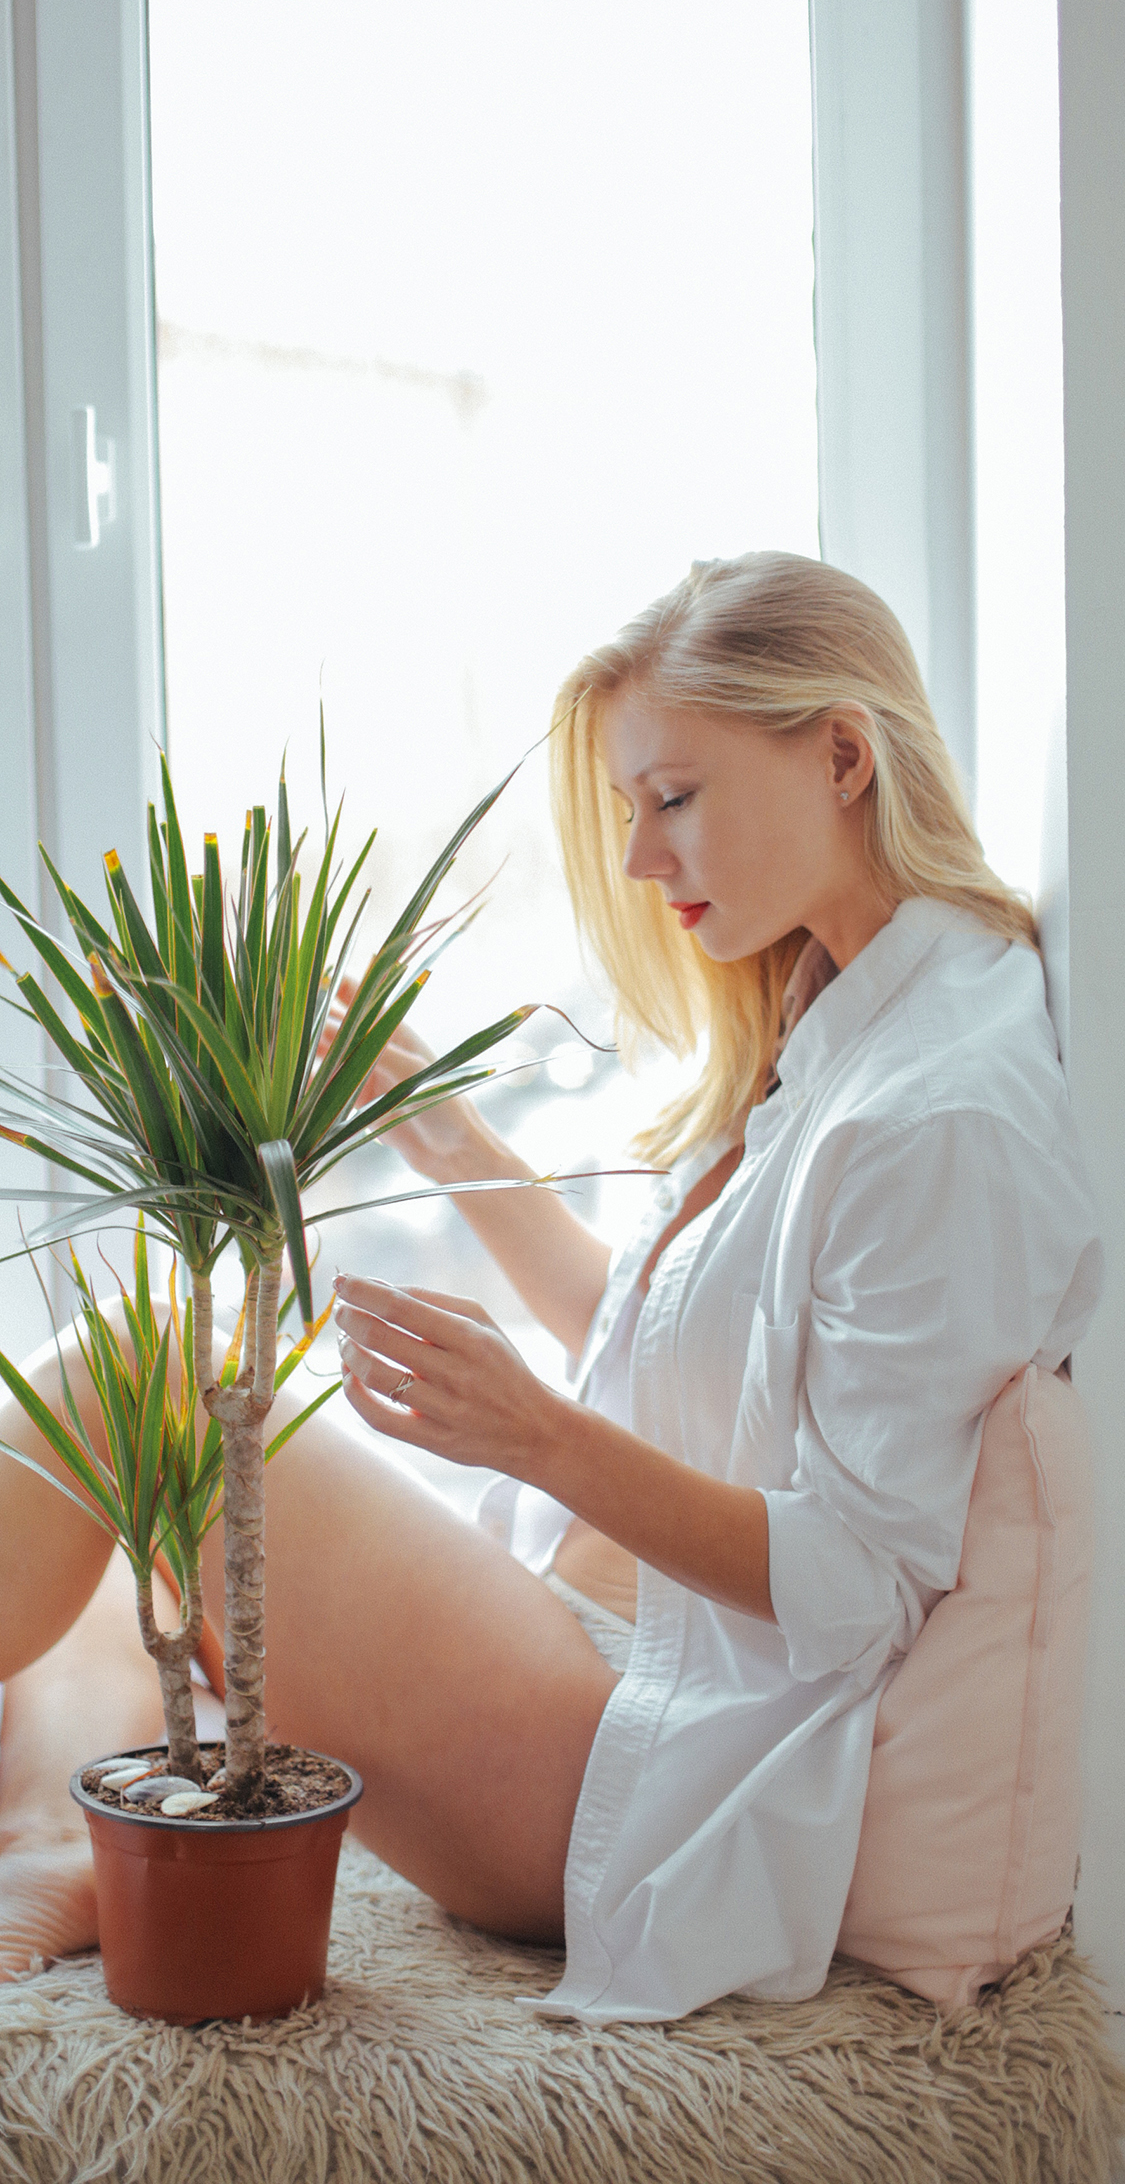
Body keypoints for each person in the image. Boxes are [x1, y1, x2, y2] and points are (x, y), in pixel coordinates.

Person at [0, 552, 1102, 2021]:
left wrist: (537, 1437)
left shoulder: (938, 1112)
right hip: (581, 1653)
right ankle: (56, 1836)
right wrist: (441, 1132)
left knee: (148, 1371)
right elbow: (668, 1353)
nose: (644, 861)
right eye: (630, 810)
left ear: (842, 754)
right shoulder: (843, 1016)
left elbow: (859, 1589)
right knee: (126, 1503)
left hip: (632, 1753)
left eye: (675, 797)